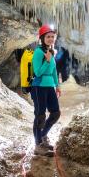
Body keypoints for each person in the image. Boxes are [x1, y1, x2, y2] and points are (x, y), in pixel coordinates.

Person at [31, 24, 62, 155]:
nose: (50, 39)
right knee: (40, 115)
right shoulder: (38, 53)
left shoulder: (50, 51)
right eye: (48, 37)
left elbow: (54, 71)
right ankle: (38, 145)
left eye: (52, 37)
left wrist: (57, 86)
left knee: (55, 113)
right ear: (42, 38)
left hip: (49, 86)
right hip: (39, 87)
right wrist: (47, 61)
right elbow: (38, 72)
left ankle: (43, 135)